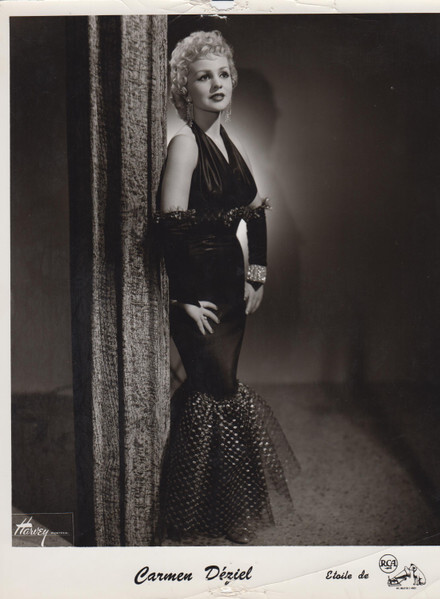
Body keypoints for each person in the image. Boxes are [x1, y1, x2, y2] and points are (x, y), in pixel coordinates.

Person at [158, 30, 297, 544]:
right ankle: (193, 514)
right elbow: (171, 226)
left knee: (220, 389)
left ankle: (216, 510)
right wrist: (182, 299)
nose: (216, 84)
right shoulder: (185, 145)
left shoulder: (231, 146)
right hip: (198, 294)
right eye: (203, 76)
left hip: (231, 288)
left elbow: (256, 212)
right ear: (185, 90)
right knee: (214, 391)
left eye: (223, 74)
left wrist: (257, 274)